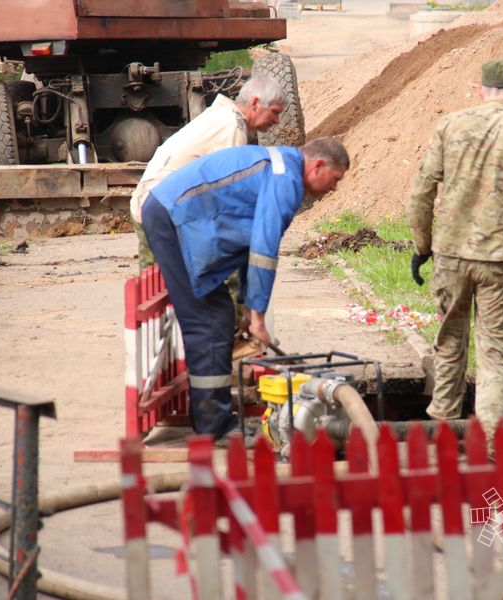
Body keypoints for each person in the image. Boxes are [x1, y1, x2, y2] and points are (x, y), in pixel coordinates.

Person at [142, 138, 349, 441]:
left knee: (218, 315)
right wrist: (258, 318)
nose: (334, 188)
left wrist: (249, 310)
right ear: (318, 166)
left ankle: (213, 420)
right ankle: (214, 427)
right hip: (172, 219)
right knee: (208, 321)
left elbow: (250, 244)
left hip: (177, 216)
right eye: (335, 179)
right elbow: (264, 251)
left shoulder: (282, 169)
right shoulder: (286, 181)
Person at [405, 60, 503, 440]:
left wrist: (422, 246)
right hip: (498, 259)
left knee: (449, 344)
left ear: (481, 91)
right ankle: (492, 442)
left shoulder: (449, 125)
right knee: (495, 353)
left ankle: (443, 436)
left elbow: (421, 190)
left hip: (450, 255)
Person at [130, 75, 286, 269]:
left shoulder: (221, 116)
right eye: (274, 112)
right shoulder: (231, 127)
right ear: (255, 103)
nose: (277, 120)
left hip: (149, 205)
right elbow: (227, 197)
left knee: (156, 284)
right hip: (163, 213)